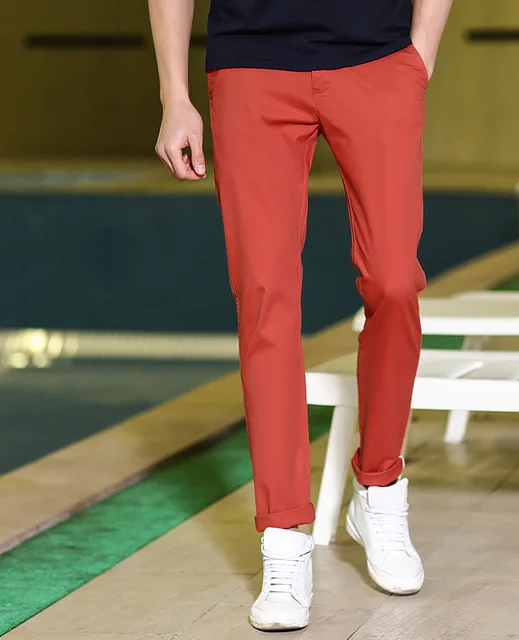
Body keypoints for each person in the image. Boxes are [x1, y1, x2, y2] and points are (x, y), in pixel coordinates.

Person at [149, 0, 452, 630]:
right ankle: (284, 538)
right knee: (265, 298)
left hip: (378, 60)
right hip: (250, 65)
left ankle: (380, 488)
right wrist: (174, 94)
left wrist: (419, 56)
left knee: (395, 281)